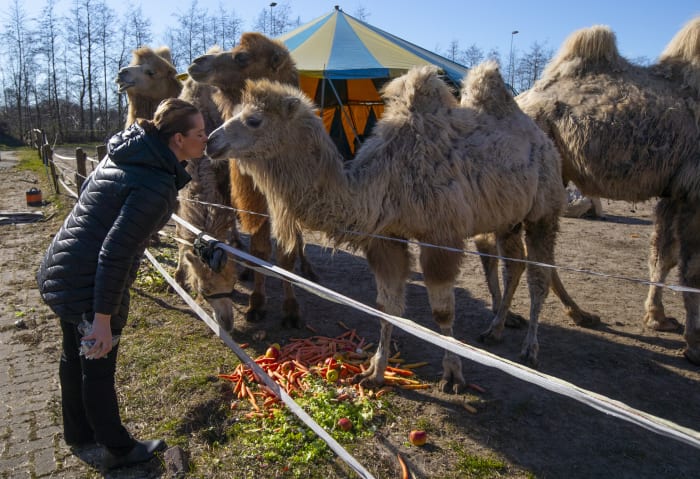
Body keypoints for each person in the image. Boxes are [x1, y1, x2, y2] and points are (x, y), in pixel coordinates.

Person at [36, 98, 207, 470]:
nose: (205, 139)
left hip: (62, 267)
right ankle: (117, 449)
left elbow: (90, 206)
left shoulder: (129, 152)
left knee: (75, 355)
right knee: (97, 362)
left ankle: (78, 434)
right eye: (199, 133)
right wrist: (102, 319)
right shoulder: (156, 183)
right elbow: (114, 254)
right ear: (178, 139)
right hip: (86, 282)